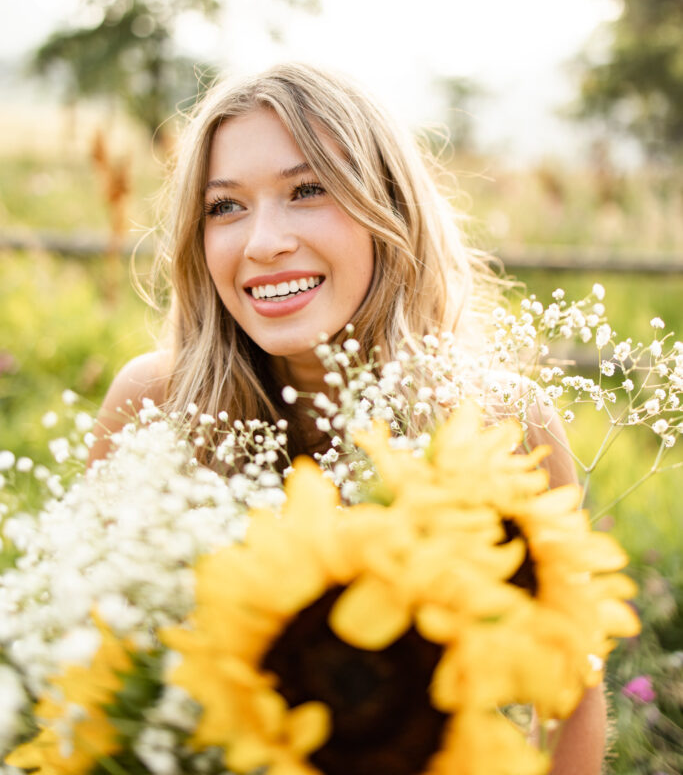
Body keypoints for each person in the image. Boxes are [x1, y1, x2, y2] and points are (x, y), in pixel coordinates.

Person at [89, 61, 606, 773]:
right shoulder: (153, 407)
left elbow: (569, 690)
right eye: (225, 207)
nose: (262, 241)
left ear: (387, 209)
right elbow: (94, 667)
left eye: (307, 191)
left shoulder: (502, 421)